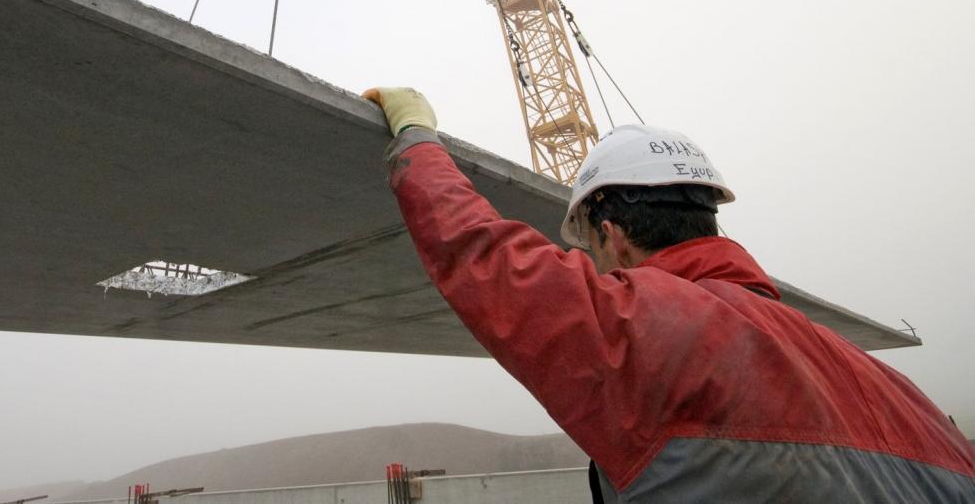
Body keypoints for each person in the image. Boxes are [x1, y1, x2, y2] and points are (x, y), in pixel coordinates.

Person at [362, 87, 975, 502]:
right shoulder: (893, 389)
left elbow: (483, 255)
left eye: (594, 255)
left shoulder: (658, 332)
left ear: (613, 235)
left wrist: (416, 134)